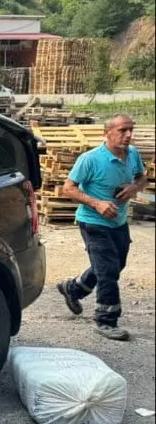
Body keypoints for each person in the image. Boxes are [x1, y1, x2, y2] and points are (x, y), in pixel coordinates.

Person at [56, 114, 147, 341]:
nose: (128, 135)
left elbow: (142, 178)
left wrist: (134, 188)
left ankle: (73, 289)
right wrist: (97, 204)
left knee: (116, 265)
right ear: (106, 133)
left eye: (131, 129)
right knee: (107, 271)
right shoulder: (90, 159)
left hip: (119, 222)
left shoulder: (133, 154)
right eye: (122, 130)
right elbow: (68, 188)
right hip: (93, 222)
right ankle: (106, 320)